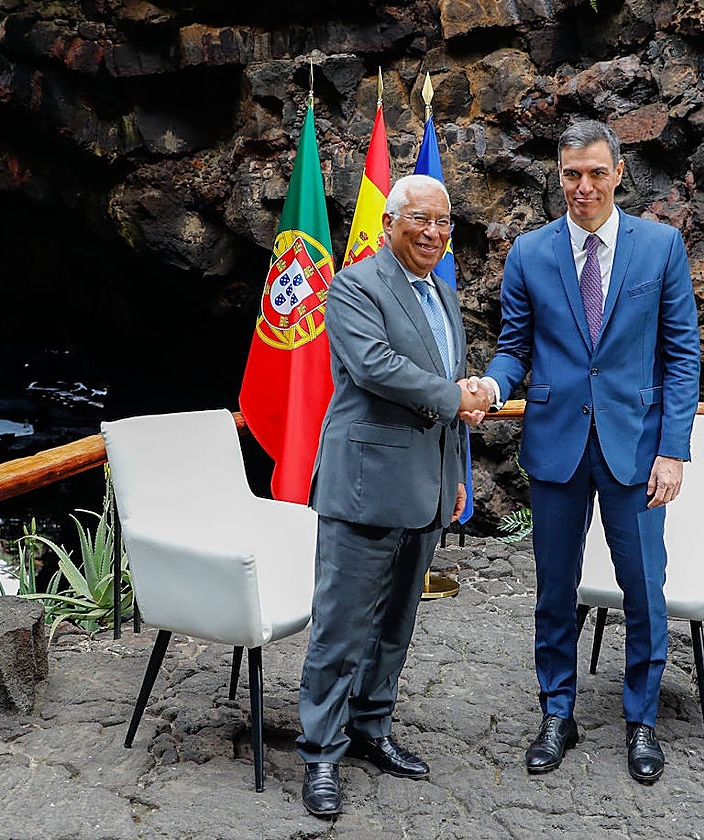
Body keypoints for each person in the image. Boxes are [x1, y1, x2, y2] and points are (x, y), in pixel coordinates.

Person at [477, 120, 701, 783]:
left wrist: (673, 450)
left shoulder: (659, 247)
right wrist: (492, 383)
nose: (583, 187)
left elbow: (682, 354)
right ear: (558, 172)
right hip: (556, 445)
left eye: (596, 172)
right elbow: (515, 345)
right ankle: (557, 713)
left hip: (636, 449)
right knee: (553, 590)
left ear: (619, 172)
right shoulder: (529, 253)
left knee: (643, 592)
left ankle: (641, 722)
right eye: (571, 173)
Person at [296, 174, 489, 817]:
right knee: (341, 629)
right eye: (421, 220)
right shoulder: (353, 286)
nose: (433, 233)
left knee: (396, 625)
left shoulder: (443, 293)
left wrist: (454, 468)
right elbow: (375, 366)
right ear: (390, 224)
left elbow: (447, 385)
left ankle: (370, 728)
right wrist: (454, 397)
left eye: (443, 223)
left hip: (426, 488)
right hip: (364, 488)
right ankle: (321, 752)